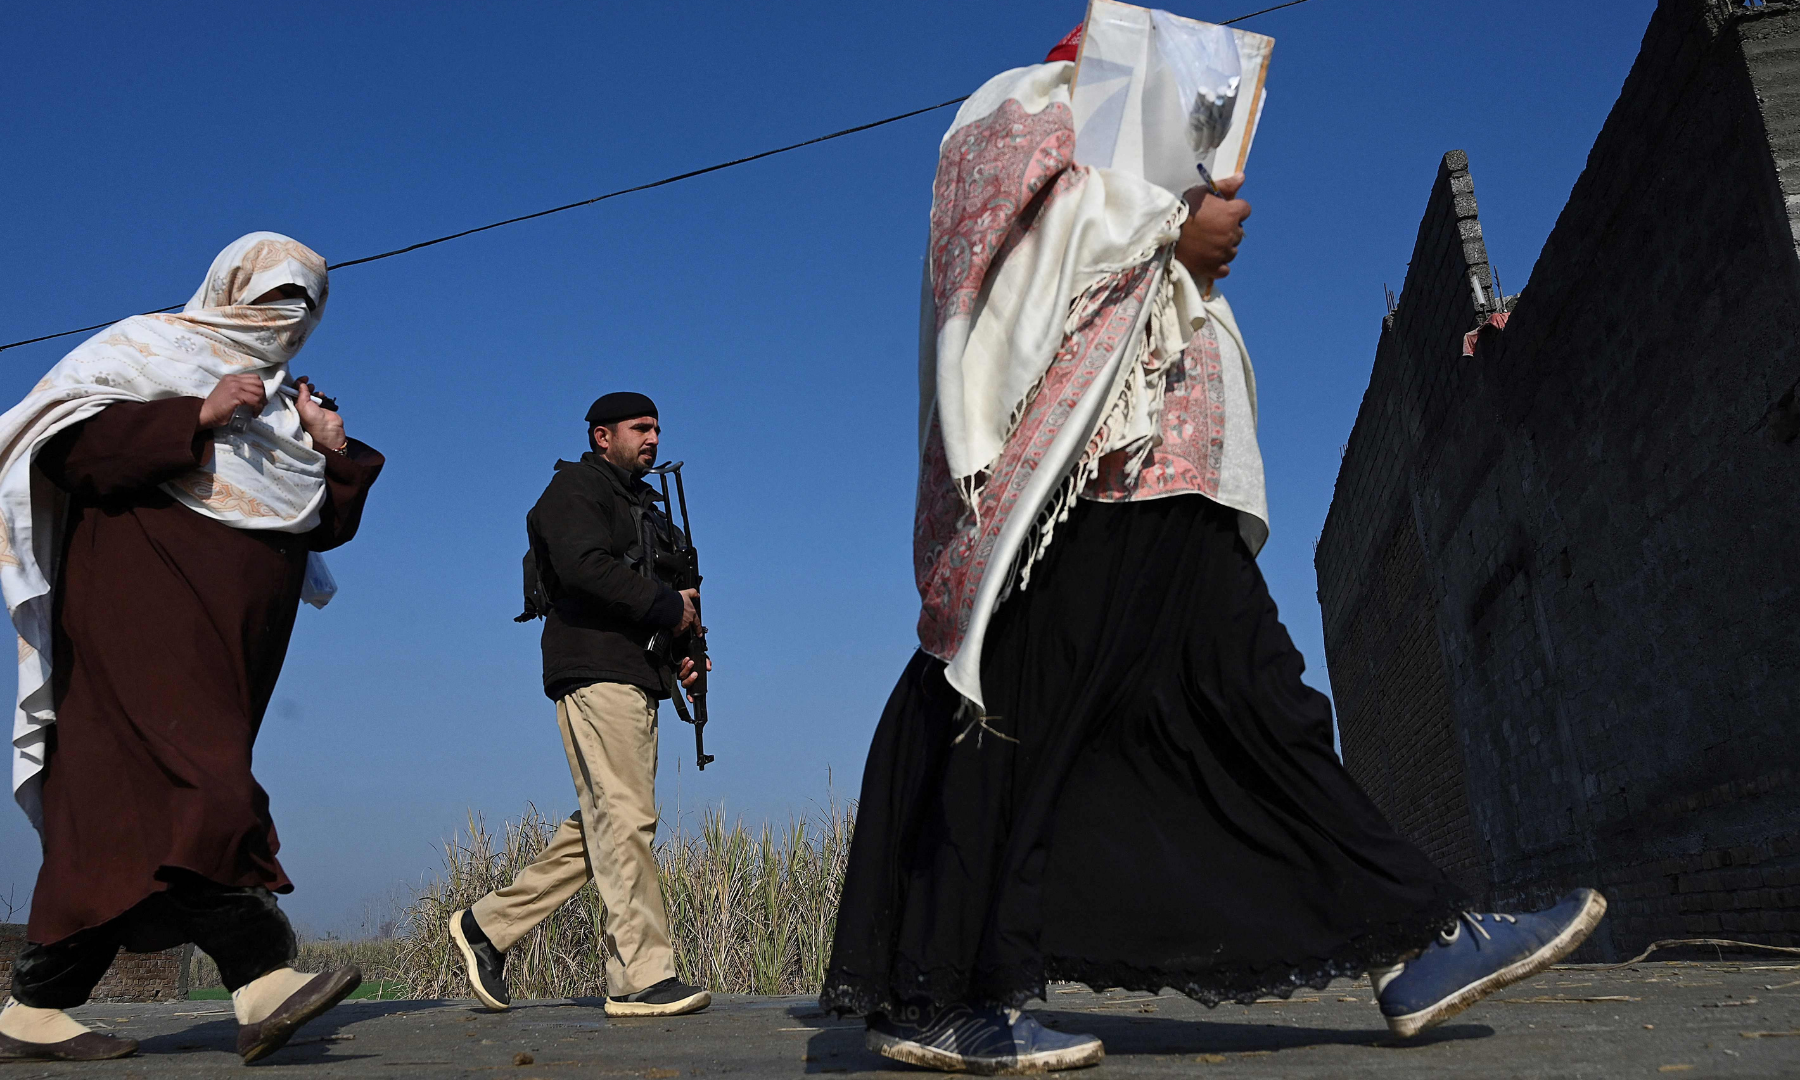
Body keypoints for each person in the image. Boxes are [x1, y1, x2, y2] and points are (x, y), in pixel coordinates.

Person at [818, 27, 1607, 1074]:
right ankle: (941, 993)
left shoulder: (1131, 161)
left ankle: (1422, 939)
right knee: (1002, 713)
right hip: (1091, 483)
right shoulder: (1019, 108)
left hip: (1171, 481)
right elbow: (996, 256)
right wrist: (1168, 227)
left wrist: (1175, 226)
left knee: (1255, 708)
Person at [0, 233, 384, 1064]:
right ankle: (262, 975)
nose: (291, 319)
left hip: (236, 640)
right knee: (206, 779)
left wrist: (330, 445)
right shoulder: (147, 350)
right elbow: (69, 454)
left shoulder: (285, 403)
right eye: (277, 296)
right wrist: (198, 413)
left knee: (113, 820)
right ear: (228, 286)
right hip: (139, 615)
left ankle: (35, 1007)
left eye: (308, 305)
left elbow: (322, 525)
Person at [448, 392, 710, 1018]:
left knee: (610, 818)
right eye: (638, 428)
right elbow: (583, 567)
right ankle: (641, 977)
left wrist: (688, 653)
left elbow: (676, 591)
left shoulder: (644, 507)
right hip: (595, 670)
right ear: (601, 436)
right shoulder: (573, 493)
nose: (652, 438)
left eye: (656, 428)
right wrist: (671, 608)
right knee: (625, 817)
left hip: (637, 675)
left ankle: (486, 928)